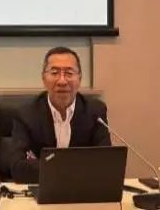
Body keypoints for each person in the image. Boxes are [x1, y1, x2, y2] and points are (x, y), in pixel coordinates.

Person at [9, 46, 111, 183]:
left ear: (79, 78)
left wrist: (47, 165)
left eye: (69, 73)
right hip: (41, 190)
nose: (62, 81)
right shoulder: (26, 114)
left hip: (82, 189)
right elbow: (18, 168)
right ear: (43, 78)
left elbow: (105, 163)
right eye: (54, 73)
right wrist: (77, 167)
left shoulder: (95, 111)